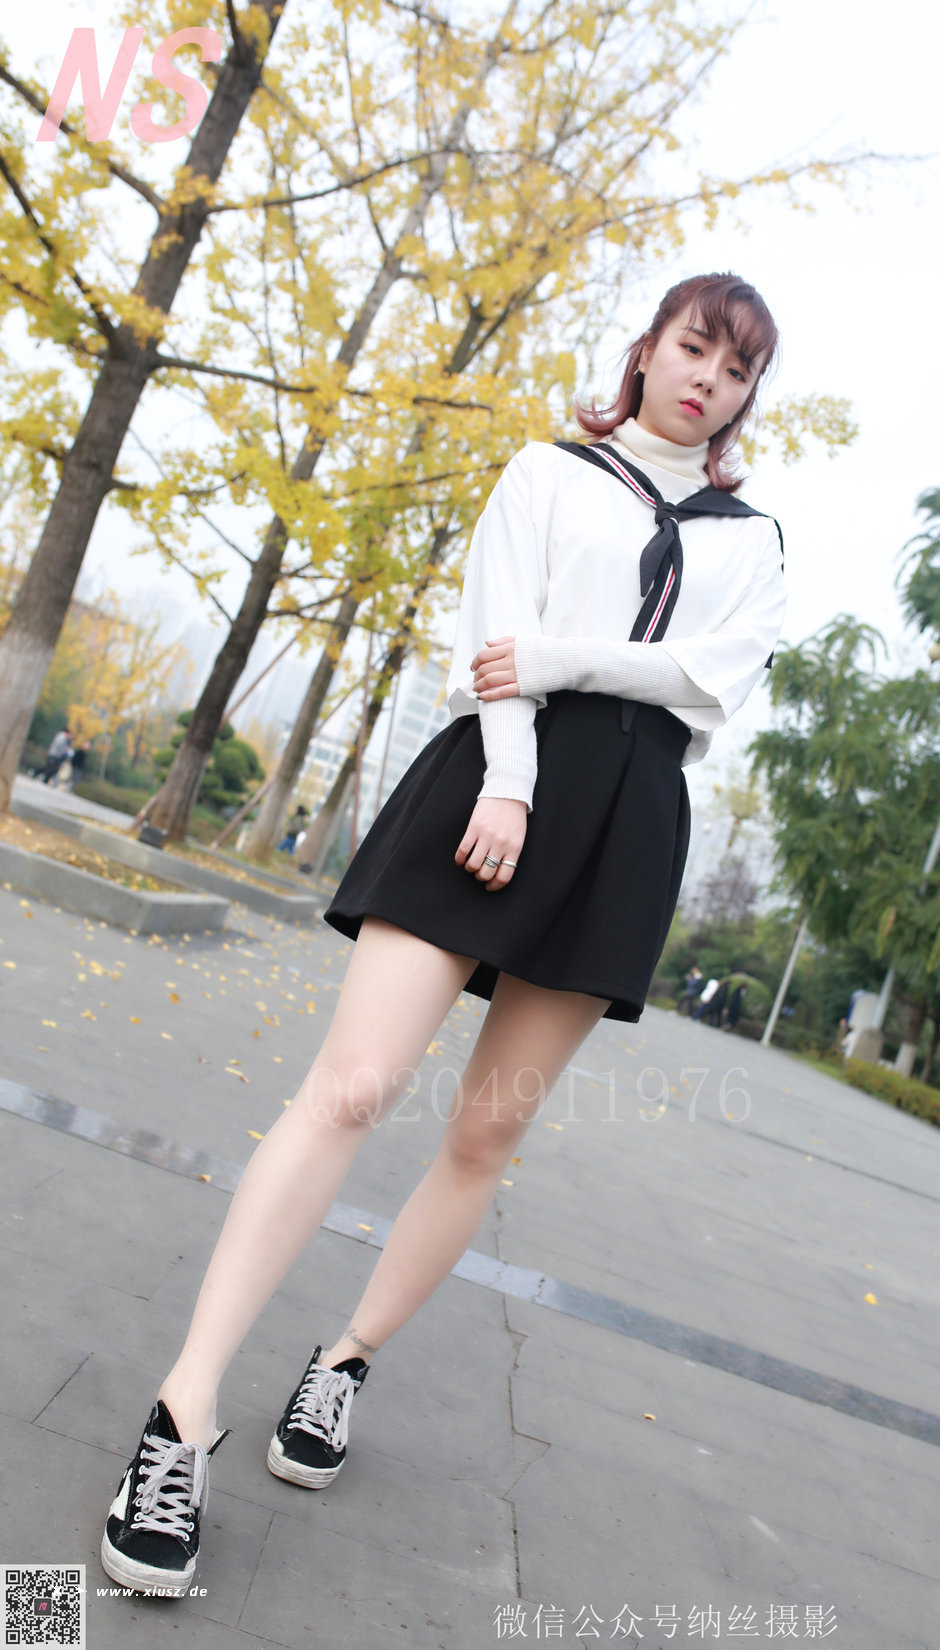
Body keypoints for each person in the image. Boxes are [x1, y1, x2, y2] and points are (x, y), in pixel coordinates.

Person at [99, 270, 786, 1597]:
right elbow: (494, 642)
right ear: (646, 350)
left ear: (748, 394)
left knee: (484, 1134)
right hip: (491, 778)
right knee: (351, 1086)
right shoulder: (548, 474)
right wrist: (511, 779)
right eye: (694, 347)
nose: (709, 378)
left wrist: (564, 658)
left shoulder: (752, 538)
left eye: (738, 368)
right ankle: (182, 1410)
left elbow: (711, 677)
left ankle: (344, 1359)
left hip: (628, 821)